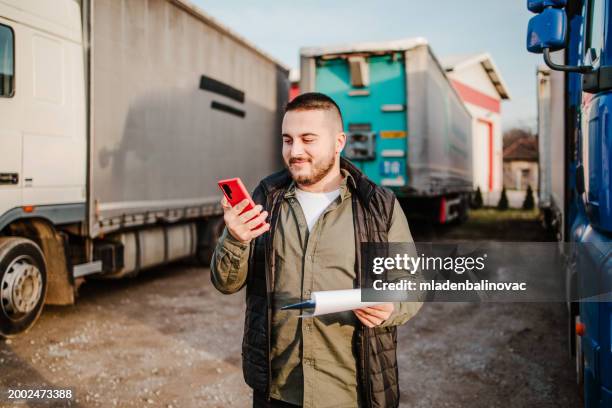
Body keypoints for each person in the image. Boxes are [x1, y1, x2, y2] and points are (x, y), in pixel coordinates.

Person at [210, 92, 422, 408]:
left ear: (339, 142)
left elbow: (411, 286)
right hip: (278, 392)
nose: (295, 151)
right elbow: (226, 283)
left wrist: (391, 307)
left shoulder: (378, 206)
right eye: (287, 140)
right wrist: (235, 239)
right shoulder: (265, 199)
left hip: (352, 393)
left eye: (308, 139)